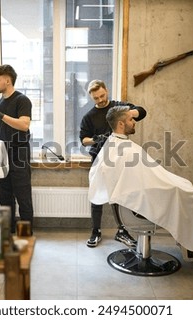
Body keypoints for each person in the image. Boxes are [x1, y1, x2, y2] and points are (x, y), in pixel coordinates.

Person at [88, 105, 193, 255]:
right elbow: (142, 179)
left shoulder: (114, 144)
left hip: (137, 194)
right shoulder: (123, 149)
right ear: (121, 124)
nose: (134, 122)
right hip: (136, 203)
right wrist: (170, 185)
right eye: (131, 119)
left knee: (186, 187)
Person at [80, 80, 147, 248]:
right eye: (96, 98)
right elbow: (83, 140)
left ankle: (122, 231)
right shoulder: (88, 116)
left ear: (106, 90)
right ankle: (96, 231)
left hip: (120, 159)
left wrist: (125, 114)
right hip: (100, 160)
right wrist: (96, 139)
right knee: (96, 195)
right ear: (91, 97)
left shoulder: (118, 107)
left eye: (102, 96)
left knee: (119, 195)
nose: (100, 100)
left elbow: (142, 111)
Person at [0, 64, 34, 233]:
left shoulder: (22, 100)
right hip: (3, 153)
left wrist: (0, 115)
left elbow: (24, 125)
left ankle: (26, 236)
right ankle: (9, 233)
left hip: (19, 154)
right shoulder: (0, 102)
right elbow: (2, 128)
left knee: (23, 197)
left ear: (7, 80)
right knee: (5, 197)